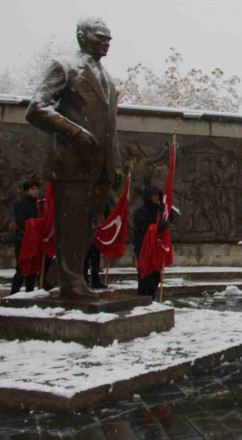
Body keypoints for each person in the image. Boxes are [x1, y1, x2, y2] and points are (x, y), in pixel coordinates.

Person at [26, 18, 123, 299]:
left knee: (89, 224)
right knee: (73, 224)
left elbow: (110, 127)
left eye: (109, 38)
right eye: (100, 37)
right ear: (82, 36)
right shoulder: (64, 66)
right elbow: (37, 109)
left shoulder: (108, 78)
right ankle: (70, 282)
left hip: (100, 165)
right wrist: (75, 132)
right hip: (72, 162)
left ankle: (65, 273)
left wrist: (114, 161)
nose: (107, 42)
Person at [131, 186, 169, 299]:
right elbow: (142, 229)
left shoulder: (160, 212)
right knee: (144, 274)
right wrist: (155, 228)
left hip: (156, 248)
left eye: (157, 195)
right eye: (153, 195)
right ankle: (143, 297)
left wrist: (163, 226)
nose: (156, 198)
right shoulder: (140, 213)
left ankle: (152, 296)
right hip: (143, 247)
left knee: (155, 275)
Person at [10, 181, 41, 293]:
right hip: (23, 239)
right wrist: (36, 223)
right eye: (32, 189)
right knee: (22, 268)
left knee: (33, 269)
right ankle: (13, 293)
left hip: (35, 239)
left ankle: (30, 292)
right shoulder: (20, 204)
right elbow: (21, 222)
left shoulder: (38, 204)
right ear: (26, 191)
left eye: (36, 188)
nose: (35, 191)